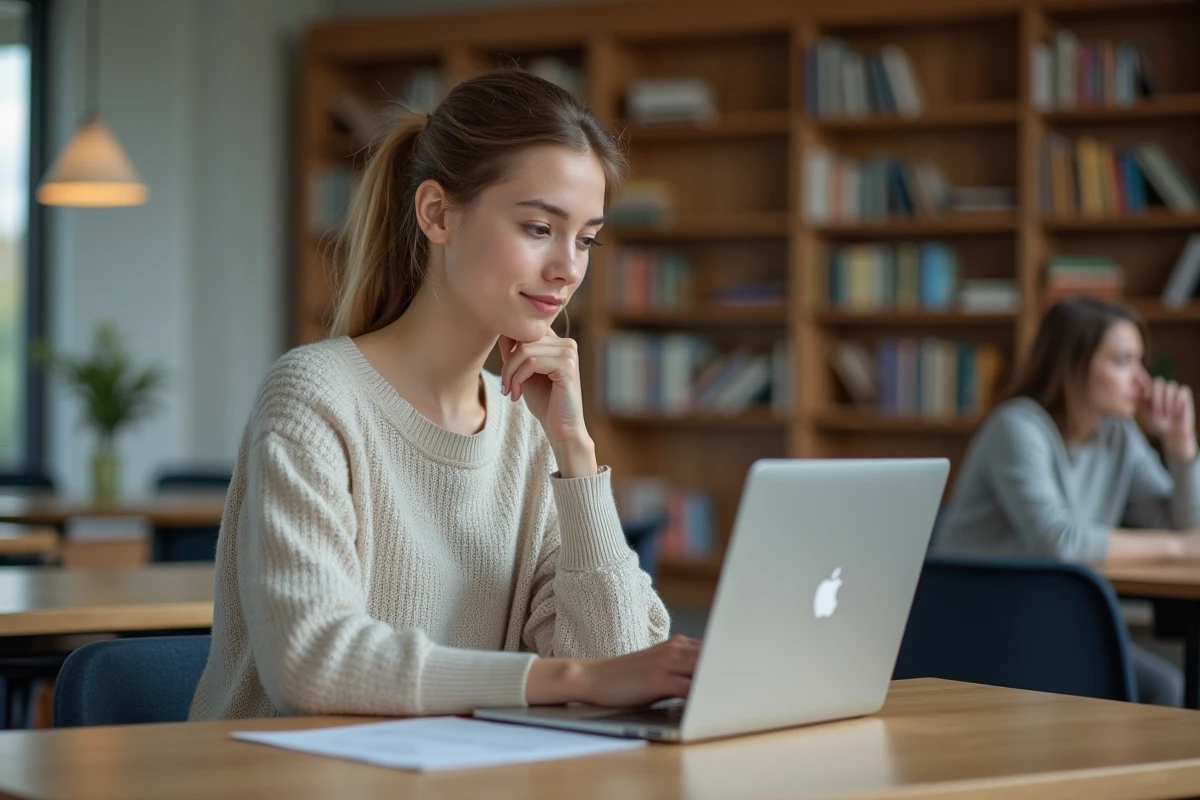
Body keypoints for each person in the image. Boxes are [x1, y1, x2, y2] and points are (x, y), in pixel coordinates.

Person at [189, 70, 699, 721]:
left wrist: (576, 456)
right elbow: (311, 663)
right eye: (538, 228)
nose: (569, 268)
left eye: (587, 239)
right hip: (290, 770)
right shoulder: (315, 396)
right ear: (436, 213)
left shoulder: (528, 429)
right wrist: (568, 677)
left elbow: (618, 664)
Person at [935, 297, 1200, 706]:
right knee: (1157, 690)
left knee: (1167, 688)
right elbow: (1059, 542)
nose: (1143, 380)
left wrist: (1181, 446)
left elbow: (1185, 525)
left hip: (1051, 621)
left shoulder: (1118, 435)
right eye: (1123, 361)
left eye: (1140, 361)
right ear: (1074, 366)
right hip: (981, 623)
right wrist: (1178, 547)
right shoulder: (1016, 426)